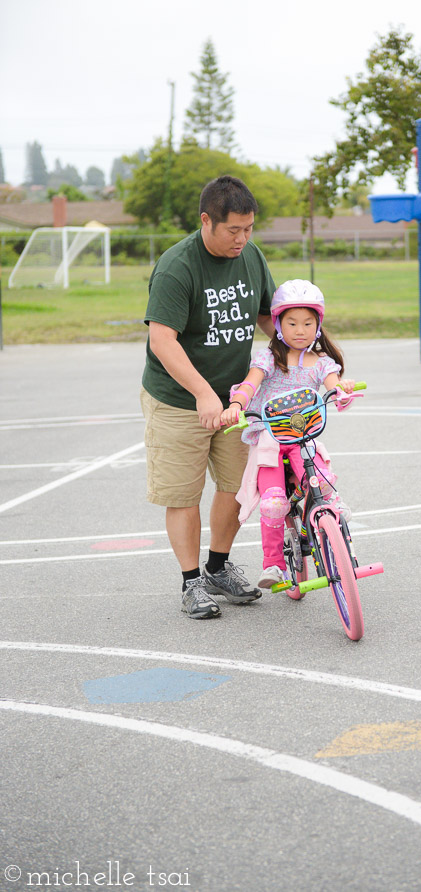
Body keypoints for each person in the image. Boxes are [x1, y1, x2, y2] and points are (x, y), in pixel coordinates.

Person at [140, 175, 276, 620]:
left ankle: (218, 566)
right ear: (207, 221)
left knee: (238, 488)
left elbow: (268, 318)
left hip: (237, 398)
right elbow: (162, 339)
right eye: (233, 230)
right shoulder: (178, 266)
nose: (243, 238)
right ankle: (192, 581)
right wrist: (201, 393)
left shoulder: (251, 256)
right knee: (183, 494)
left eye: (249, 228)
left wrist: (312, 357)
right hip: (179, 400)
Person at [221, 279, 355, 589]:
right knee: (273, 503)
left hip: (302, 438)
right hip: (269, 441)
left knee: (320, 480)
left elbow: (334, 384)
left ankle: (330, 512)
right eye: (292, 322)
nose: (300, 329)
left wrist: (341, 391)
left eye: (308, 323)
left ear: (318, 325)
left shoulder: (320, 363)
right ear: (278, 324)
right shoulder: (268, 359)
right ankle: (273, 565)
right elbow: (250, 383)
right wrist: (237, 404)